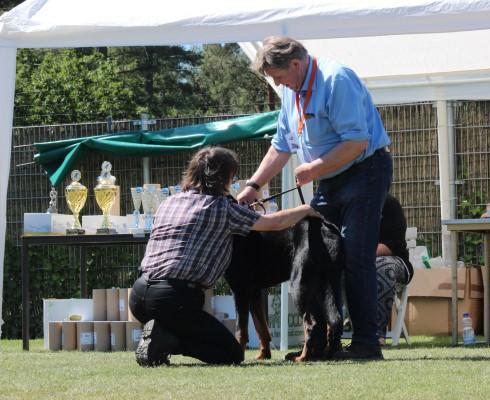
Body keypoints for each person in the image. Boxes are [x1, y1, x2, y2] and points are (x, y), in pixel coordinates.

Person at [237, 36, 392, 360]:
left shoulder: (336, 80)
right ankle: (321, 343)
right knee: (322, 253)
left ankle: (366, 343)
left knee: (353, 255)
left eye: (278, 77)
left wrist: (313, 168)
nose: (277, 83)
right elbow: (281, 146)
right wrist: (254, 185)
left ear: (296, 63)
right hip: (330, 181)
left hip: (365, 172)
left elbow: (357, 142)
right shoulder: (290, 95)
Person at [129, 146, 319, 366]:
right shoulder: (221, 207)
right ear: (225, 177)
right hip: (175, 298)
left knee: (184, 324)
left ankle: (161, 334)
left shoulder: (168, 203)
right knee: (231, 354)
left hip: (138, 296)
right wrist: (304, 209)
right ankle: (167, 342)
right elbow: (273, 223)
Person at [376, 194, 414, 345]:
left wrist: (358, 253)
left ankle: (376, 334)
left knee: (380, 267)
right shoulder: (345, 203)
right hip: (354, 260)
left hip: (394, 260)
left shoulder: (388, 204)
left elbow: (392, 246)